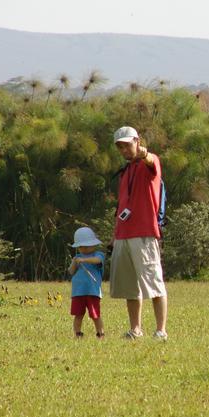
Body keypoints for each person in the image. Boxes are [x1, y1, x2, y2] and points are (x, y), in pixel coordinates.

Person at [111, 126, 168, 341]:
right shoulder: (125, 171)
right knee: (130, 288)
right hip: (123, 235)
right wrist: (114, 234)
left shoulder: (148, 163)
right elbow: (122, 205)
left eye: (127, 144)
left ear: (137, 141)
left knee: (154, 283)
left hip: (144, 233)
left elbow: (152, 160)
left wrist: (144, 153)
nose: (124, 149)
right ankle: (135, 329)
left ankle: (161, 330)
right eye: (120, 146)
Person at [68, 227, 105, 339]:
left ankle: (100, 334)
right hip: (78, 292)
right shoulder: (77, 258)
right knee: (78, 314)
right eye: (81, 246)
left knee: (95, 315)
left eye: (86, 246)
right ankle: (77, 334)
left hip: (92, 291)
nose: (83, 249)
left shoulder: (98, 255)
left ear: (93, 245)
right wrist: (75, 262)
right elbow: (71, 271)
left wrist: (84, 260)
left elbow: (98, 261)